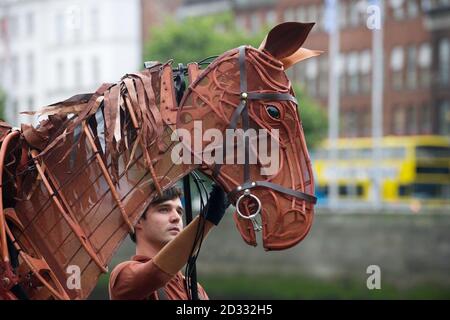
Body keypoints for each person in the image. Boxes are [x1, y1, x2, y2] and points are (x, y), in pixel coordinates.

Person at [108, 184, 229, 300]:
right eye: (164, 210)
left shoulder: (196, 290)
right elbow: (156, 275)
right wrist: (208, 218)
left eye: (179, 212)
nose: (176, 217)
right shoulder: (123, 276)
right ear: (137, 220)